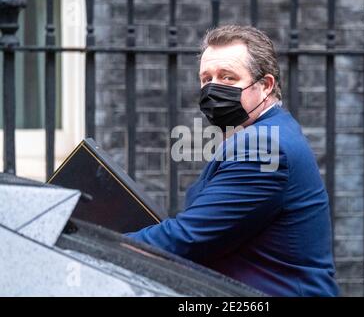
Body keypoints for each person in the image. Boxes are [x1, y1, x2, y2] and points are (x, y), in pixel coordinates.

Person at [125, 25, 339, 297]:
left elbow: (190, 236)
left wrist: (101, 244)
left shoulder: (263, 146)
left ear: (265, 86)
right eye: (206, 78)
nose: (213, 88)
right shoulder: (265, 132)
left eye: (228, 78)